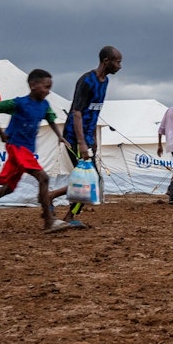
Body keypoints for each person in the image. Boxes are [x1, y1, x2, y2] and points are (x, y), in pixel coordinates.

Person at [0, 69, 72, 233]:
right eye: (45, 87)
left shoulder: (44, 105)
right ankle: (48, 220)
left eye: (50, 88)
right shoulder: (19, 103)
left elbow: (51, 120)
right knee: (43, 178)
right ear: (33, 85)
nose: (48, 91)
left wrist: (59, 136)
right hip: (16, 147)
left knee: (9, 188)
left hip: (26, 149)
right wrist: (0, 133)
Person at [47, 46, 123, 227]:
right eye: (118, 62)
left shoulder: (104, 82)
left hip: (87, 137)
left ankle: (68, 214)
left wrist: (94, 139)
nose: (120, 66)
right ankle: (51, 199)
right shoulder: (86, 81)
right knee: (90, 179)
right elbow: (77, 113)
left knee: (90, 180)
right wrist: (81, 143)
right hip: (73, 137)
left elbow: (95, 112)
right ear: (106, 61)